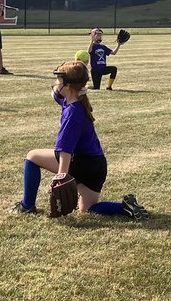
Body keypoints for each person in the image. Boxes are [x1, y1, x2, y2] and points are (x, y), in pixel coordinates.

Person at [10, 60, 147, 218]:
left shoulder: (72, 114)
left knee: (32, 156)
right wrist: (65, 76)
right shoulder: (75, 100)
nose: (56, 83)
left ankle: (27, 206)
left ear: (67, 86)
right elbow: (56, 93)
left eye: (59, 80)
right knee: (87, 208)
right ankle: (125, 208)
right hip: (97, 166)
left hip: (80, 163)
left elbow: (65, 151)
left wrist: (61, 176)